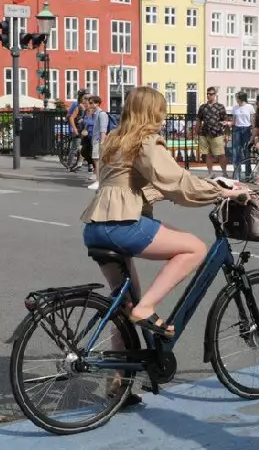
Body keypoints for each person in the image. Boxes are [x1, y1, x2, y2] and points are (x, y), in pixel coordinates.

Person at [80, 86, 239, 339]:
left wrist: (164, 193)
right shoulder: (145, 141)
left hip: (95, 227)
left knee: (125, 307)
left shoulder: (114, 139)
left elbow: (125, 184)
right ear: (151, 112)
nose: (163, 118)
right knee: (195, 248)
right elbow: (178, 182)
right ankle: (147, 308)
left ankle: (120, 365)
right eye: (161, 112)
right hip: (121, 226)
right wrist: (221, 192)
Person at [194, 87, 229, 178]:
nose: (208, 95)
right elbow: (198, 121)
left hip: (217, 133)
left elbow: (225, 121)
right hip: (204, 133)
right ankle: (210, 173)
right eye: (207, 94)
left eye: (211, 94)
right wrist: (195, 134)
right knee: (208, 155)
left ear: (215, 95)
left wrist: (227, 134)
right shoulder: (203, 107)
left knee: (221, 154)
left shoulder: (220, 107)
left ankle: (224, 173)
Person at [230, 91, 255, 182]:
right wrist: (229, 124)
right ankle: (237, 175)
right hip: (237, 129)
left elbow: (252, 120)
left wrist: (253, 131)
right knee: (236, 152)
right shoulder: (235, 108)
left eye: (237, 97)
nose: (236, 99)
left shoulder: (249, 107)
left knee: (247, 152)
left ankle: (248, 174)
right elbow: (234, 121)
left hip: (247, 129)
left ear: (241, 98)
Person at [88, 96, 109, 190]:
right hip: (96, 140)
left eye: (91, 103)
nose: (90, 104)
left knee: (97, 160)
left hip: (98, 140)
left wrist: (102, 142)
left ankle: (99, 181)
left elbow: (103, 129)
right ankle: (99, 180)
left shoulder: (101, 114)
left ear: (97, 103)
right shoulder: (96, 113)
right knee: (96, 159)